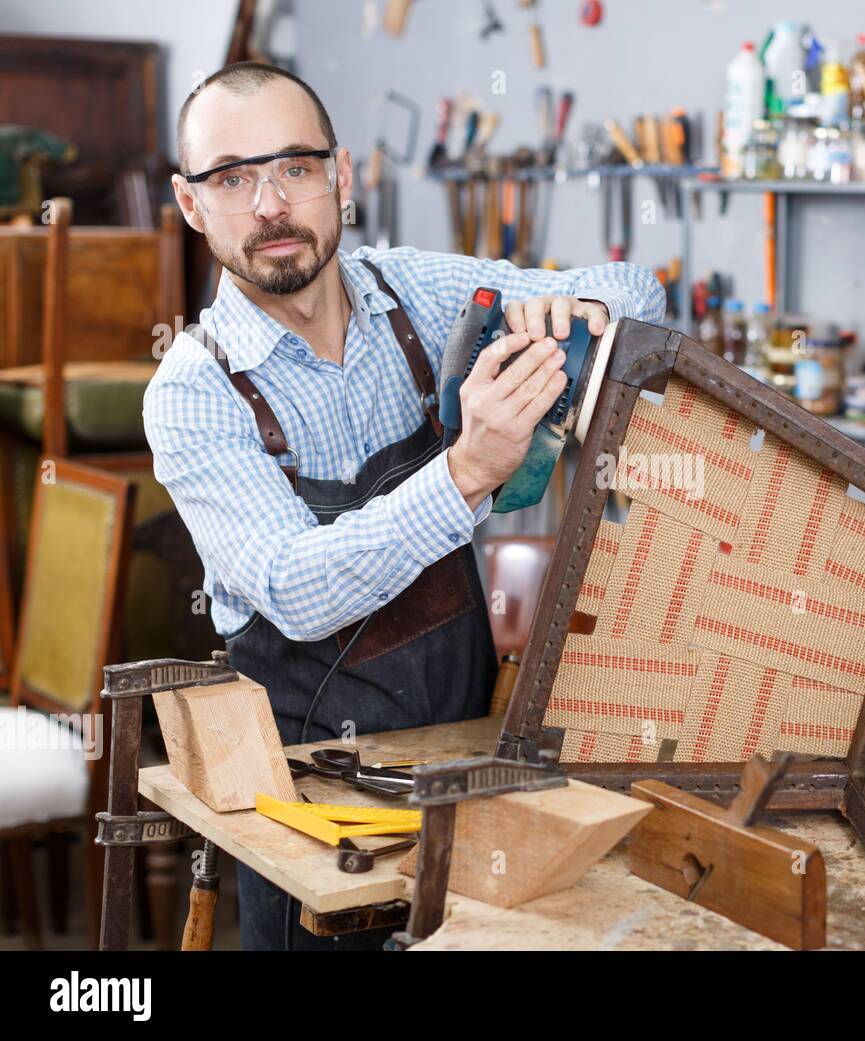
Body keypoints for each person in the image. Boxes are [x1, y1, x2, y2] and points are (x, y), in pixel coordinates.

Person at [143, 62, 665, 950]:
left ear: (342, 175)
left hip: (467, 768)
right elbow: (296, 588)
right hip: (310, 810)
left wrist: (567, 316)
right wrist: (466, 472)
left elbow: (636, 289)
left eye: (296, 168)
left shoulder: (413, 294)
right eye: (232, 178)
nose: (270, 204)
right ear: (193, 206)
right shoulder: (195, 391)